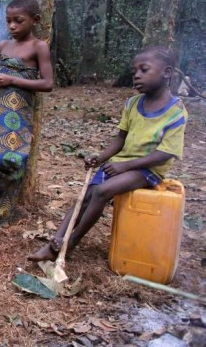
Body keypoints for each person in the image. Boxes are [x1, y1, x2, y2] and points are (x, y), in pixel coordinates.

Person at [29, 46, 187, 262]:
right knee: (86, 195)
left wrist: (125, 166)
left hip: (147, 170)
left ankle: (71, 243)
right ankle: (55, 242)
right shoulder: (132, 104)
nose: (137, 76)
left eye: (144, 70)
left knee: (102, 191)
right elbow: (120, 139)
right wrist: (101, 157)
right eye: (135, 72)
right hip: (121, 164)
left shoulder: (176, 113)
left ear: (167, 72)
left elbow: (164, 154)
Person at [0, 0, 53, 225]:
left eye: (18, 20)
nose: (12, 26)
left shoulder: (39, 47)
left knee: (7, 162)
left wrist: (12, 80)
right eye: (8, 20)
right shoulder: (3, 46)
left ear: (35, 20)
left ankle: (4, 214)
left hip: (18, 116)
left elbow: (47, 84)